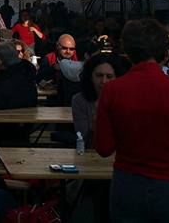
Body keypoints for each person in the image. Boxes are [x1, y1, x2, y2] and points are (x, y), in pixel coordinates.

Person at [94, 18, 169, 223]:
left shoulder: (112, 90)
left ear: (126, 53)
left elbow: (104, 148)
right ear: (165, 55)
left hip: (127, 185)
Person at [71, 53, 129, 223]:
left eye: (109, 76)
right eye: (99, 76)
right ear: (90, 77)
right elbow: (82, 133)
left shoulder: (126, 99)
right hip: (92, 160)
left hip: (121, 161)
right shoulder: (80, 101)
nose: (103, 81)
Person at [0, 43, 37, 150]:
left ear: (0, 62)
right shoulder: (26, 76)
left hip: (3, 134)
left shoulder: (7, 82)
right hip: (22, 131)